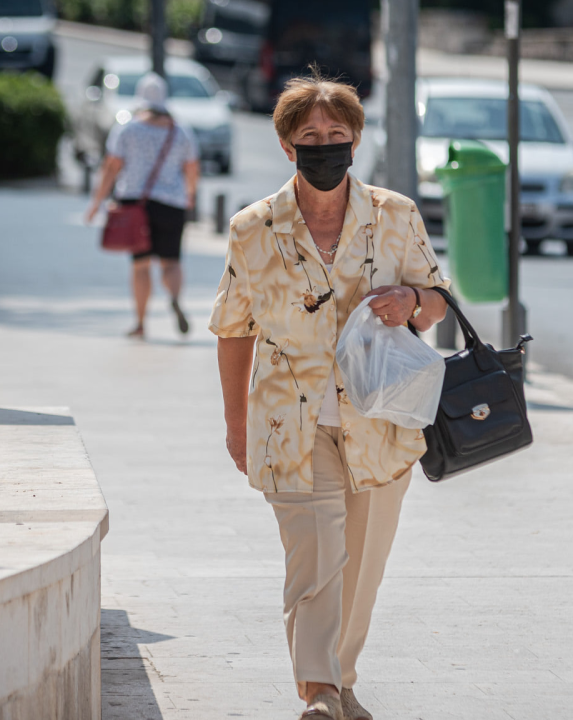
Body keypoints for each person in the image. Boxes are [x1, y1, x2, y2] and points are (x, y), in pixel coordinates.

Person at [210, 73, 449, 720]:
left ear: (356, 140)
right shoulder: (253, 228)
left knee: (363, 565)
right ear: (287, 146)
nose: (324, 146)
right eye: (310, 137)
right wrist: (236, 424)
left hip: (381, 418)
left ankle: (341, 681)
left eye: (336, 134)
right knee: (316, 554)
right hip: (290, 424)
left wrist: (413, 300)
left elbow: (437, 301)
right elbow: (233, 329)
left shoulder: (395, 215)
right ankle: (317, 691)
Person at [86, 72, 200, 339]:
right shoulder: (181, 131)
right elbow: (192, 168)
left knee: (140, 265)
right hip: (172, 204)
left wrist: (96, 202)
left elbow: (111, 167)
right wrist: (190, 195)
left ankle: (140, 322)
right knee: (171, 262)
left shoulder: (127, 129)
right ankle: (174, 297)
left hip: (135, 204)